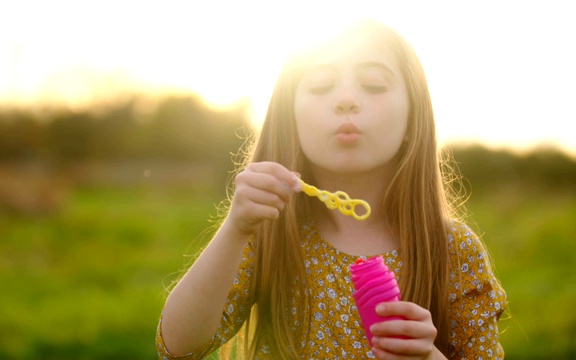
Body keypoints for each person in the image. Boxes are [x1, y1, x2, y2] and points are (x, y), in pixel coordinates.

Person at [156, 19, 507, 359]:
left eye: (373, 85)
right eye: (322, 86)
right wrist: (235, 229)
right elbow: (179, 347)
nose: (346, 100)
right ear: (290, 118)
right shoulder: (267, 234)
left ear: (412, 119)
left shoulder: (452, 250)